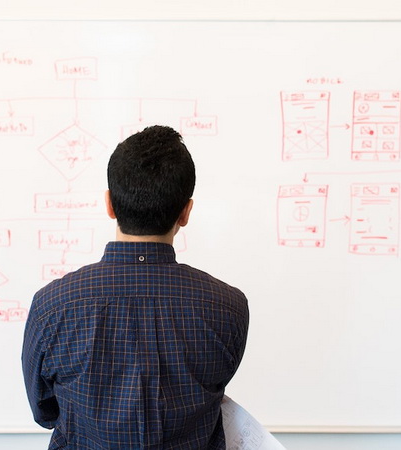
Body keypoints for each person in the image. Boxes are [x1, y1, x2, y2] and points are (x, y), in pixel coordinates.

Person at [22, 125, 250, 449]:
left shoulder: (52, 305)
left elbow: (45, 412)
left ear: (109, 205)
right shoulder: (229, 306)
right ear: (186, 212)